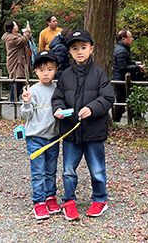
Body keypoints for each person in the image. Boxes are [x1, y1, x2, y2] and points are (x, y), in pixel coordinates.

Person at [52, 29, 115, 221]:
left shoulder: (99, 73)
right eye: (75, 48)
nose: (80, 52)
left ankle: (100, 198)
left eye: (84, 48)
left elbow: (108, 97)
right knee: (68, 169)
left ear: (91, 49)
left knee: (97, 168)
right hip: (71, 132)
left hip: (94, 131)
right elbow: (58, 97)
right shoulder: (65, 75)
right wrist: (59, 110)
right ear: (70, 52)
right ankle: (69, 200)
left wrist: (93, 108)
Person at [21, 50, 61, 220]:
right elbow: (26, 115)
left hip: (53, 137)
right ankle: (38, 201)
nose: (46, 73)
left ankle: (50, 197)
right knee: (38, 171)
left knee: (51, 170)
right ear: (35, 71)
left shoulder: (58, 88)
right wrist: (27, 102)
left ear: (56, 70)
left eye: (50, 69)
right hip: (35, 137)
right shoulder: (33, 90)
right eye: (42, 69)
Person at [112, 29, 145, 123]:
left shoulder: (122, 49)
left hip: (123, 80)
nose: (132, 39)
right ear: (124, 39)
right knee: (121, 104)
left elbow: (125, 63)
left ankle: (139, 121)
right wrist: (137, 68)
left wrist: (135, 63)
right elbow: (123, 67)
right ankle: (115, 122)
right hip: (122, 81)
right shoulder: (121, 51)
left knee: (131, 101)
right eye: (130, 37)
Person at [2, 19, 32, 102]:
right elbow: (23, 40)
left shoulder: (16, 35)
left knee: (20, 79)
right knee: (17, 79)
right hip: (15, 61)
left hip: (20, 60)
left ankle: (16, 98)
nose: (17, 26)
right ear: (12, 28)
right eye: (15, 25)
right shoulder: (10, 38)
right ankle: (13, 99)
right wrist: (27, 32)